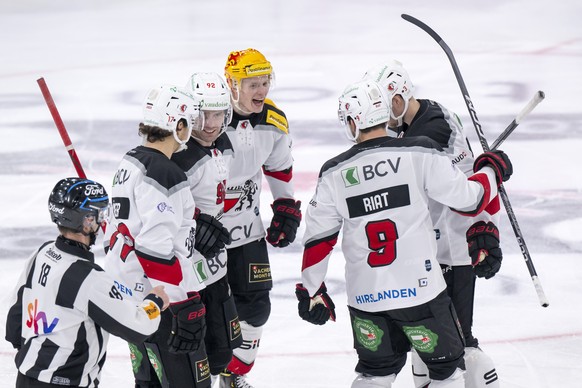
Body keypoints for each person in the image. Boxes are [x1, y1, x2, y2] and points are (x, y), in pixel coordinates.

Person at [295, 79, 513, 387]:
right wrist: (492, 169)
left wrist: (311, 290)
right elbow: (469, 199)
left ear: (354, 122)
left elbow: (319, 240)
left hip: (366, 297)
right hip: (421, 293)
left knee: (375, 374)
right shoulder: (419, 152)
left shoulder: (333, 172)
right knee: (447, 371)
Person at [364, 60, 501, 387]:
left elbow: (465, 190)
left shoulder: (433, 129)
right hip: (429, 250)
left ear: (398, 99)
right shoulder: (412, 121)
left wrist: (486, 226)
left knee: (459, 344)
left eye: (383, 108)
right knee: (428, 342)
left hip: (452, 250)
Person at [5, 177, 169, 388]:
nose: (102, 222)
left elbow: (15, 318)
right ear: (86, 221)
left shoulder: (43, 252)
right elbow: (138, 327)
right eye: (99, 214)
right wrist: (154, 302)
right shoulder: (88, 278)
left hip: (26, 378)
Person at [104, 85, 216, 388]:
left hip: (131, 296)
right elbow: (155, 248)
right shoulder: (165, 172)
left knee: (149, 383)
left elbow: (112, 230)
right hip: (161, 300)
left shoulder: (129, 161)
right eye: (188, 123)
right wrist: (183, 303)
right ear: (177, 126)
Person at [219, 48, 302, 388]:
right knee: (205, 310)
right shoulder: (206, 115)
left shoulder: (273, 121)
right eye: (250, 83)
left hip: (247, 229)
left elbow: (279, 169)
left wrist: (286, 207)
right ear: (231, 83)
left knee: (255, 311)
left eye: (264, 82)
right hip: (201, 233)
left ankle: (231, 375)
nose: (260, 90)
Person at [172, 72, 243, 383]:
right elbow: (162, 206)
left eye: (218, 114)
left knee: (220, 350)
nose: (212, 124)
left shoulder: (224, 144)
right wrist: (195, 220)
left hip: (215, 263)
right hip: (187, 271)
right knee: (191, 356)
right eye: (203, 116)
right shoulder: (178, 154)